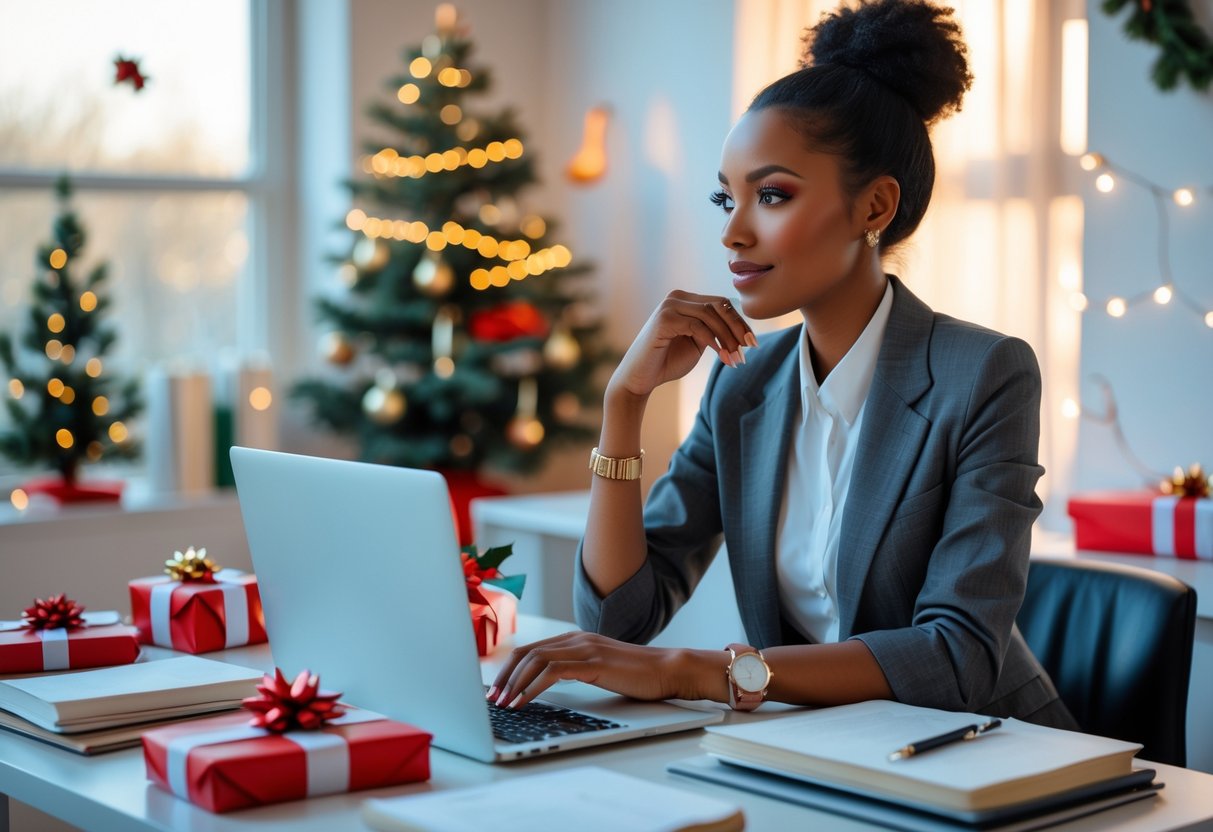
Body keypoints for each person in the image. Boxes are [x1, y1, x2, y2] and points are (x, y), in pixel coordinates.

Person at [490, 0, 1076, 729]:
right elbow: (620, 616)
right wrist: (623, 405)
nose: (733, 232)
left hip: (986, 752)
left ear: (874, 207)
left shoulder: (983, 372)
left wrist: (695, 670)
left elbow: (954, 657)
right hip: (817, 744)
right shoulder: (745, 380)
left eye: (770, 195)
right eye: (724, 198)